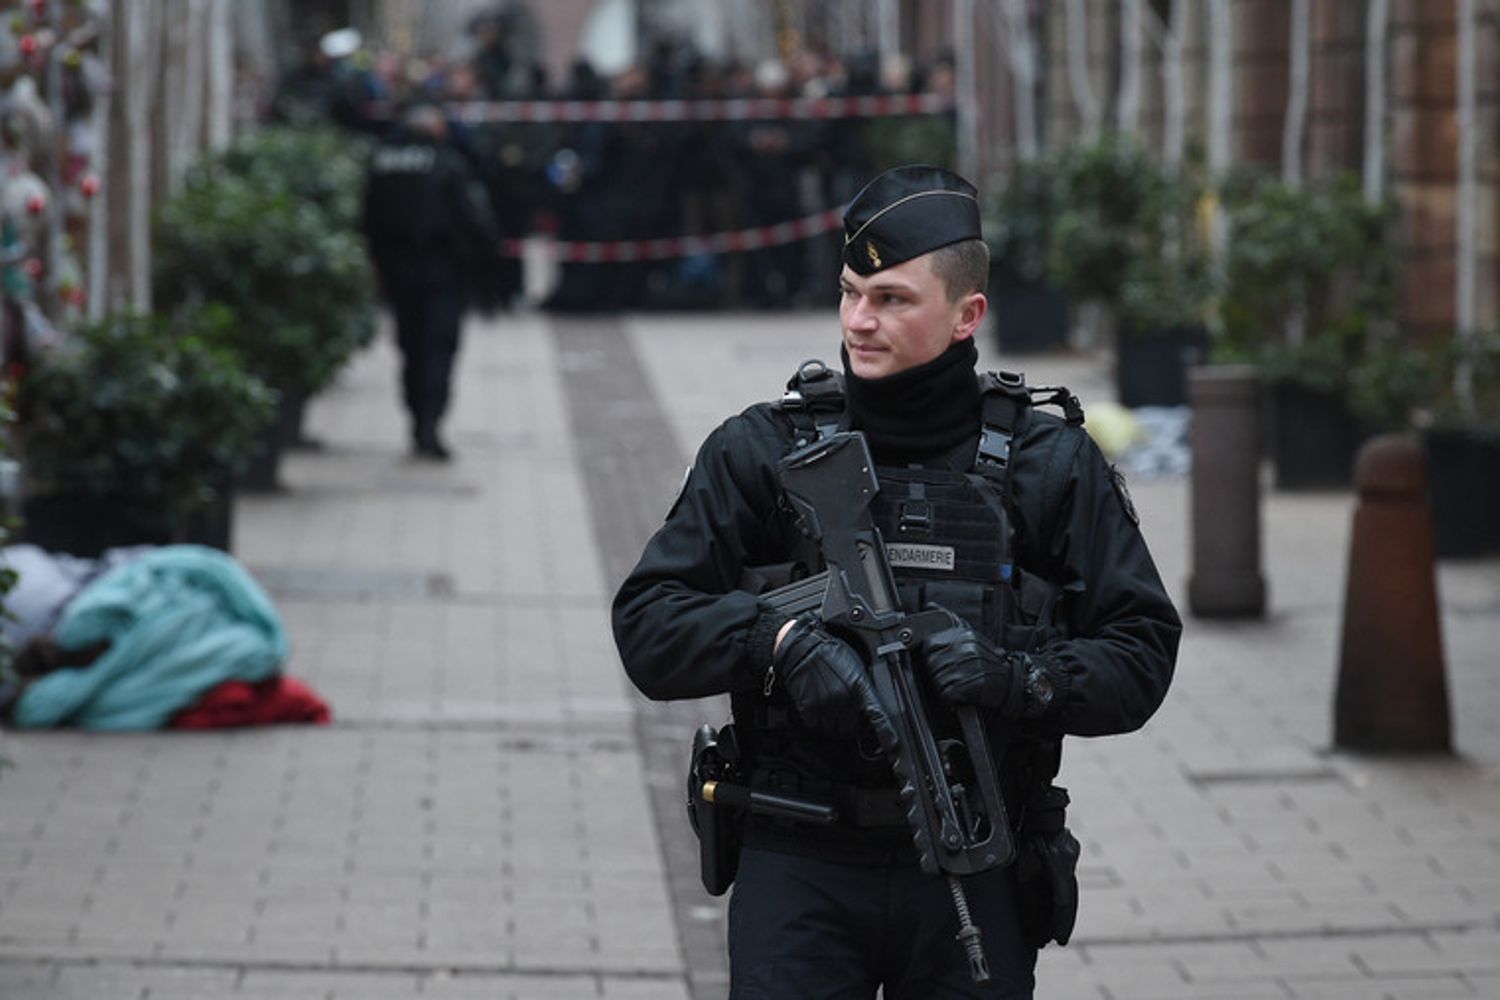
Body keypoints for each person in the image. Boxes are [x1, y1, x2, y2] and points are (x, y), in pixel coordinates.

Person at [612, 165, 1181, 998]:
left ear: (967, 315)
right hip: (797, 859)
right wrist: (778, 645)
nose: (858, 321)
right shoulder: (762, 451)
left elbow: (1141, 650)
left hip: (974, 859)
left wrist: (1020, 679)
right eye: (849, 292)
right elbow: (650, 622)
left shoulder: (1047, 465)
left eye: (891, 300)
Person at [361, 104, 505, 460]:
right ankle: (429, 423)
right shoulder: (448, 163)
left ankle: (416, 418)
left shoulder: (383, 161)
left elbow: (367, 218)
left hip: (397, 271)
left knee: (410, 347)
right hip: (442, 271)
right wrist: (491, 270)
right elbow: (475, 219)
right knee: (438, 348)